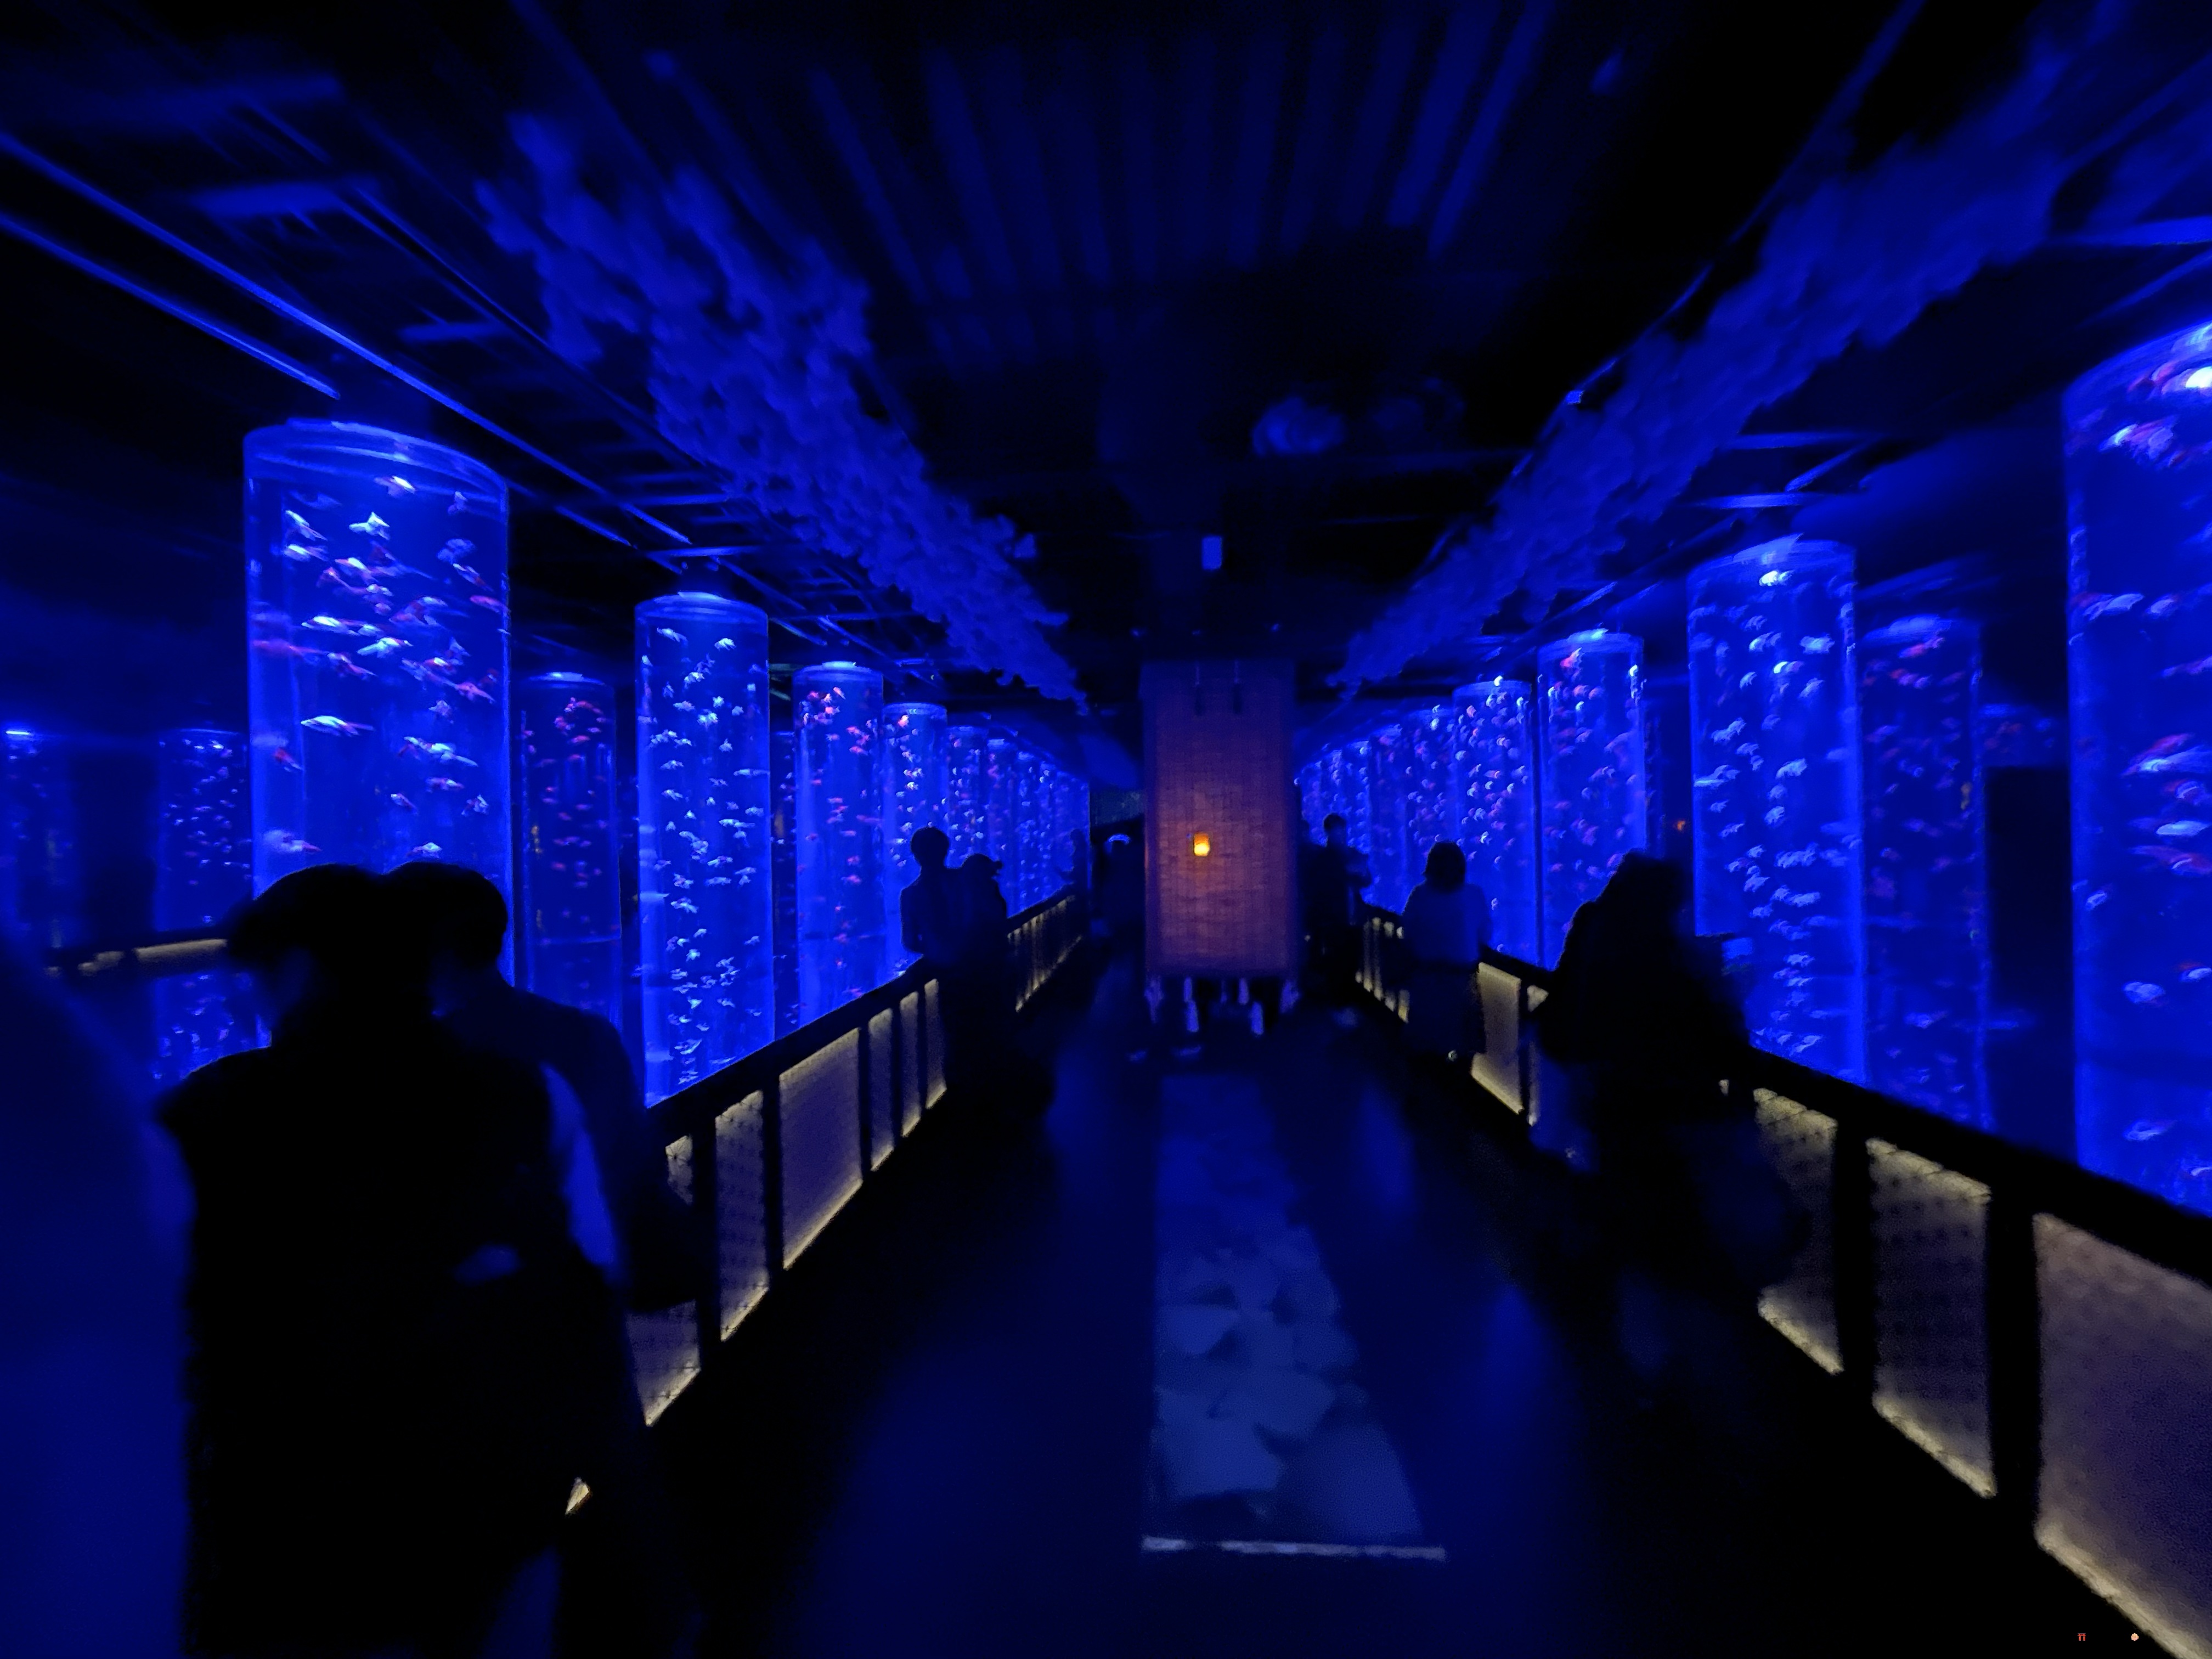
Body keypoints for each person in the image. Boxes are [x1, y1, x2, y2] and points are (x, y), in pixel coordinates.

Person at [160, 864, 605, 1659]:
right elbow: (588, 1296)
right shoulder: (527, 1096)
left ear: (298, 968)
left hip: (291, 1527)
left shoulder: (204, 1114)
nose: (247, 999)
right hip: (498, 1500)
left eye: (257, 974)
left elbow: (159, 1316)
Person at [383, 859, 703, 1659]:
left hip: (472, 1339)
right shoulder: (583, 1033)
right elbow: (636, 1162)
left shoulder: (416, 1065)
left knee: (492, 1534)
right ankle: (670, 1626)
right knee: (624, 1485)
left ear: (421, 948)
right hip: (582, 1309)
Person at [1534, 854, 1799, 1385]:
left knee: (1640, 1250)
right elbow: (1728, 1045)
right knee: (1687, 1246)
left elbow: (1582, 1035)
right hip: (1685, 1129)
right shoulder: (1687, 966)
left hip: (1621, 1126)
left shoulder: (1607, 961)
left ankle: (1646, 1375)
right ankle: (1701, 1374)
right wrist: (1731, 991)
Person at [1397, 840, 1489, 1063]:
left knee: (1425, 1049)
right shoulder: (1474, 894)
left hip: (1426, 981)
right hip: (1462, 982)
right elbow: (1485, 935)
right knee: (1463, 1048)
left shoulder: (1419, 895)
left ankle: (1426, 1083)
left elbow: (1407, 933)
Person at [1305, 814, 1371, 1019]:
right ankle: (1339, 1006)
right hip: (1334, 920)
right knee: (1338, 962)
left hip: (1354, 918)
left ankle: (1346, 1005)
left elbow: (1367, 880)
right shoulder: (1322, 858)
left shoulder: (1352, 853)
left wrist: (1362, 872)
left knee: (1352, 961)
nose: (1341, 835)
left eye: (1342, 831)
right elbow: (1323, 884)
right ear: (1329, 833)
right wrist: (1349, 871)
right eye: (1336, 832)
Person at [899, 826, 963, 970]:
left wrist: (935, 949)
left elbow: (910, 941)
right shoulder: (964, 880)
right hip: (978, 958)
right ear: (945, 850)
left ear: (916, 855)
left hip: (941, 967)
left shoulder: (910, 894)